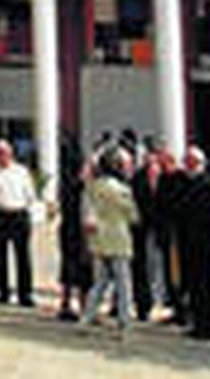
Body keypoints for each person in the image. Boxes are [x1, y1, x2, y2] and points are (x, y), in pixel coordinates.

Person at [83, 146, 138, 334]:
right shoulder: (122, 190)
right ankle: (124, 321)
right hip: (118, 238)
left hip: (98, 238)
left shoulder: (92, 187)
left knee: (99, 283)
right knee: (123, 284)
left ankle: (87, 317)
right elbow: (132, 215)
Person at [0, 137, 36, 307]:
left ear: (11, 153)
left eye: (5, 152)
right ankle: (3, 291)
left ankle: (25, 294)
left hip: (18, 214)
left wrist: (29, 212)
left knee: (23, 256)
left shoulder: (21, 172)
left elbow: (30, 194)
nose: (2, 156)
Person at [176, 146, 210, 341]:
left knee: (204, 285)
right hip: (189, 242)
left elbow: (198, 213)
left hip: (202, 243)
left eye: (187, 162)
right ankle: (198, 323)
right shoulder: (188, 183)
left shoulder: (208, 184)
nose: (184, 166)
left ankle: (209, 326)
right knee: (194, 285)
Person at [54, 136, 92, 322]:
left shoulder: (66, 185)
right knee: (81, 269)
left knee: (69, 268)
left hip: (68, 229)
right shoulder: (81, 188)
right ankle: (81, 305)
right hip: (78, 232)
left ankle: (67, 303)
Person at [130, 145, 169, 320]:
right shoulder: (137, 179)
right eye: (148, 161)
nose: (152, 164)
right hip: (141, 229)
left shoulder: (167, 179)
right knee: (142, 267)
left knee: (162, 266)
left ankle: (166, 300)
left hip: (162, 229)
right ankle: (143, 305)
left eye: (154, 161)